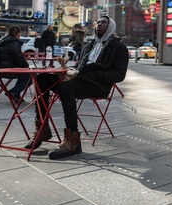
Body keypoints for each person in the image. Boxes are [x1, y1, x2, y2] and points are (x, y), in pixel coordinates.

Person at [33, 15, 129, 159]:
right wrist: (67, 70)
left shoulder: (119, 47)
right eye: (99, 22)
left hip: (98, 85)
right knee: (42, 79)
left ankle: (73, 141)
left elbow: (119, 75)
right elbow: (81, 67)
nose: (100, 24)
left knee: (67, 88)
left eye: (104, 22)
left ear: (111, 27)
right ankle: (42, 129)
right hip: (81, 79)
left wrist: (95, 75)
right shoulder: (90, 44)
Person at [0, 26, 32, 102]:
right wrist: (27, 67)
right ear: (18, 34)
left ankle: (16, 93)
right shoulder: (14, 43)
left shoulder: (2, 40)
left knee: (24, 73)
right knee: (32, 75)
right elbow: (19, 59)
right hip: (4, 69)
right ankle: (14, 91)